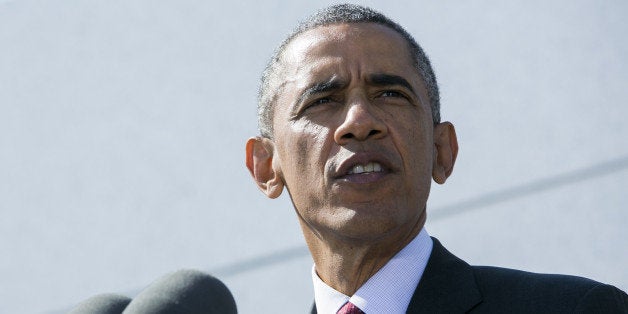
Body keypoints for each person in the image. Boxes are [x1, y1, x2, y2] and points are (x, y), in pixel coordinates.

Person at [245, 4, 628, 313]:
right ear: (265, 166)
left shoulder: (575, 308)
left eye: (390, 94)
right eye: (324, 100)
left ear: (442, 151)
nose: (359, 122)